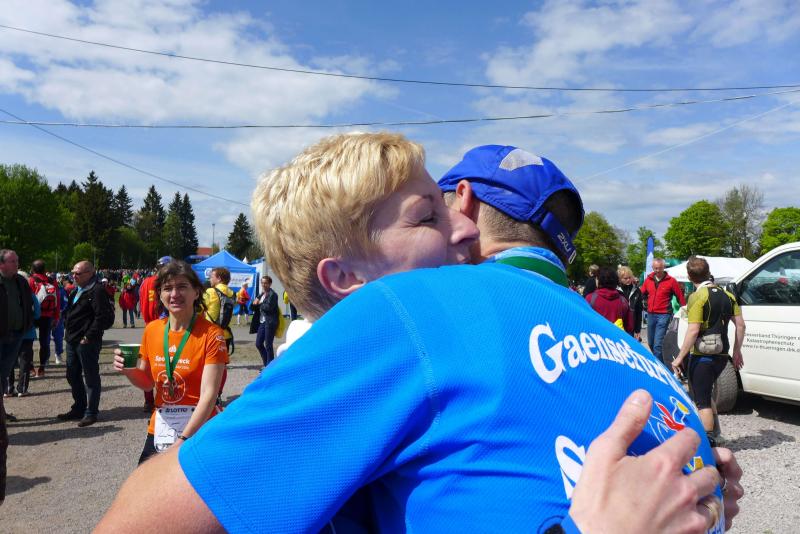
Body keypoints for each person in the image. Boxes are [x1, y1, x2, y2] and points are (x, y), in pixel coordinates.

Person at [99, 134, 740, 533]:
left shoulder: (429, 317)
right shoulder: (614, 341)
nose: (466, 229)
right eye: (427, 216)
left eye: (450, 205)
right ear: (344, 276)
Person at [113, 261, 227, 465]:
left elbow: (209, 395)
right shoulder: (152, 330)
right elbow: (147, 383)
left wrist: (183, 440)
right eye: (167, 288)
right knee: (145, 480)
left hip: (200, 428)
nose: (174, 294)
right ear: (160, 294)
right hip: (162, 427)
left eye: (182, 286)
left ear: (196, 292)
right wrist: (127, 369)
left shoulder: (212, 334)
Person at [671, 257, 745, 446]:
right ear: (708, 272)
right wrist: (737, 351)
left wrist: (679, 357)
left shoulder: (697, 296)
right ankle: (717, 435)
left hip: (702, 355)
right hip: (722, 355)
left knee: (702, 401)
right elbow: (741, 325)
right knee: (706, 393)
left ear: (689, 276)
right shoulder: (727, 295)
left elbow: (693, 330)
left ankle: (709, 445)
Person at [58, 260, 111, 427]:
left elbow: (102, 317)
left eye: (78, 273)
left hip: (87, 341)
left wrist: (88, 336)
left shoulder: (97, 290)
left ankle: (91, 412)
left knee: (90, 376)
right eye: (73, 273)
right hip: (72, 339)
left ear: (90, 273)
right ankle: (79, 407)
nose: (74, 276)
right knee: (72, 374)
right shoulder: (76, 290)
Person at [0, 250, 34, 423]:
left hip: (17, 334)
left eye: (17, 260)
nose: (17, 264)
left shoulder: (20, 281)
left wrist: (27, 323)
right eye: (13, 261)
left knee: (4, 374)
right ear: (1, 264)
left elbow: (28, 303)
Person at [138, 256, 172, 413]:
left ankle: (148, 401)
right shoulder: (166, 283)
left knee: (148, 365)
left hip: (149, 327)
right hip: (164, 326)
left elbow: (141, 302)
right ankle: (164, 399)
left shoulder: (145, 282)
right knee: (167, 365)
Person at [641, 257, 686, 367]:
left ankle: (659, 368)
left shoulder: (671, 281)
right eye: (655, 268)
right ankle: (663, 363)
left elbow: (680, 296)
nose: (657, 270)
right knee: (651, 343)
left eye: (660, 268)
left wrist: (685, 309)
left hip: (664, 314)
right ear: (652, 268)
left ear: (664, 267)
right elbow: (642, 293)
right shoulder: (648, 280)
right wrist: (642, 303)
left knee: (657, 344)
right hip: (651, 314)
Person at [28, 259, 59, 378]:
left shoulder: (31, 281)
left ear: (32, 269)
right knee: (44, 342)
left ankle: (31, 367)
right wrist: (56, 316)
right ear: (45, 269)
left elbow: (27, 299)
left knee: (29, 341)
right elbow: (57, 301)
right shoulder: (52, 281)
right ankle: (42, 368)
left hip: (32, 315)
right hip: (48, 315)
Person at [586, 267, 632, 332]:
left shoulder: (590, 298)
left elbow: (584, 322)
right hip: (616, 336)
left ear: (599, 280)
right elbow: (629, 326)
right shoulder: (623, 300)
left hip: (596, 335)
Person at [202, 268, 235, 354]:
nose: (210, 279)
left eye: (211, 277)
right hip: (226, 334)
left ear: (219, 278)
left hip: (211, 334)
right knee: (223, 360)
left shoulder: (210, 291)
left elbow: (198, 308)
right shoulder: (232, 293)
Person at [251, 276, 278, 366]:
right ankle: (267, 364)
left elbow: (268, 307)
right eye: (262, 283)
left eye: (265, 283)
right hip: (262, 322)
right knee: (258, 343)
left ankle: (270, 366)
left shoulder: (273, 295)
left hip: (270, 322)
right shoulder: (261, 294)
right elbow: (253, 307)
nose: (263, 285)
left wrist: (259, 303)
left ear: (270, 284)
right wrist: (254, 303)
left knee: (268, 345)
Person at [618, 265, 643, 341]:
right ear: (620, 279)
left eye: (630, 277)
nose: (628, 280)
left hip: (631, 325)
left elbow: (639, 311)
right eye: (625, 278)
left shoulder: (637, 291)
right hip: (619, 324)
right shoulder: (616, 290)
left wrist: (638, 329)